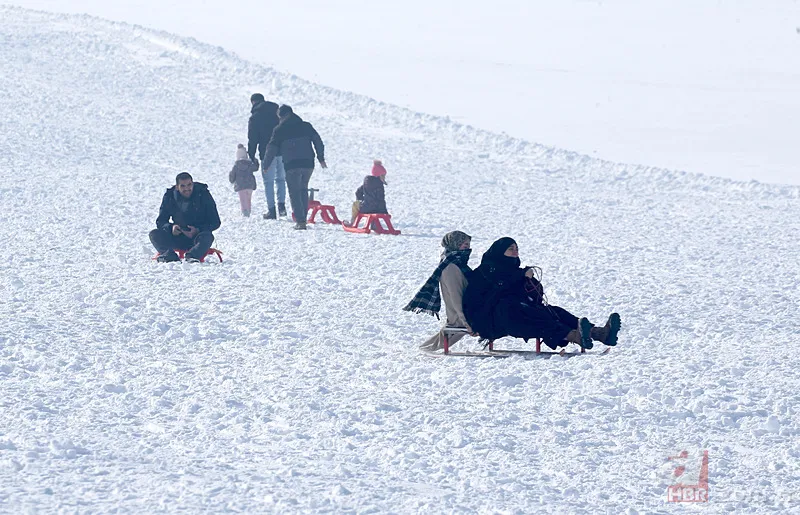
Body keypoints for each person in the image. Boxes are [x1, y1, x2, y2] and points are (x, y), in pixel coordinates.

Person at [462, 237, 621, 350]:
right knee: (530, 314)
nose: (515, 252)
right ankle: (575, 336)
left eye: (516, 249)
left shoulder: (512, 270)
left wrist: (530, 283)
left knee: (552, 311)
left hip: (509, 312)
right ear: (500, 252)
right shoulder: (486, 271)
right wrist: (521, 276)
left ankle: (598, 333)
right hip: (488, 319)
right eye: (510, 249)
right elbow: (497, 290)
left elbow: (521, 293)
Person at [404, 231, 473, 351]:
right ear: (455, 244)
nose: (467, 247)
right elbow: (456, 298)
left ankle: (426, 347)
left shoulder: (456, 263)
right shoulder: (451, 267)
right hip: (460, 317)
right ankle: (427, 348)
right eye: (464, 244)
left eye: (468, 244)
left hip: (462, 314)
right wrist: (466, 323)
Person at [261, 104, 327, 230]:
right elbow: (318, 141)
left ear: (281, 116)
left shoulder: (279, 130)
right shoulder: (306, 126)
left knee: (295, 192)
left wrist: (266, 164)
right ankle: (303, 219)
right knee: (303, 189)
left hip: (292, 164)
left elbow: (271, 148)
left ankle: (301, 221)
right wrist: (321, 158)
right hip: (308, 164)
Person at [149, 172, 221, 263]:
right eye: (182, 186)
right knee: (154, 234)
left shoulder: (203, 194)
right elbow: (161, 221)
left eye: (189, 185)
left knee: (208, 236)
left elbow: (215, 222)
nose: (187, 189)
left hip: (197, 238)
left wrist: (198, 230)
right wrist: (171, 227)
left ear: (193, 184)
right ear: (177, 187)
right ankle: (169, 255)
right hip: (177, 235)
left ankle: (193, 256)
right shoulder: (170, 196)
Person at [247, 93, 285, 219]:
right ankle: (282, 207)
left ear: (253, 102)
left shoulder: (255, 118)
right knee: (281, 179)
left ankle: (272, 211)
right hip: (282, 151)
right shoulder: (278, 113)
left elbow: (253, 139)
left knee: (268, 182)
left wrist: (251, 155)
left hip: (266, 153)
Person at [348, 160, 389, 226]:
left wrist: (362, 200)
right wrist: (385, 212)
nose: (384, 177)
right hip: (378, 210)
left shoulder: (367, 182)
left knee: (355, 204)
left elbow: (358, 192)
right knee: (374, 206)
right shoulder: (380, 186)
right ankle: (374, 225)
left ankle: (352, 222)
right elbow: (381, 199)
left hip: (366, 208)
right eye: (383, 175)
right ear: (379, 175)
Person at [229, 144, 259, 217]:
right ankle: (249, 210)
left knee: (243, 200)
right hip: (250, 185)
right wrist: (255, 159)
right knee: (248, 199)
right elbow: (256, 168)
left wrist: (231, 178)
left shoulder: (236, 166)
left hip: (240, 186)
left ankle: (245, 212)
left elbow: (232, 176)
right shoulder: (250, 164)